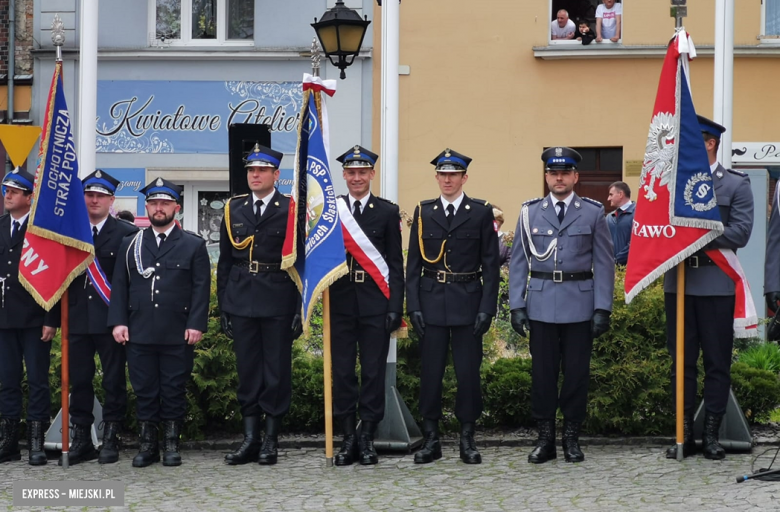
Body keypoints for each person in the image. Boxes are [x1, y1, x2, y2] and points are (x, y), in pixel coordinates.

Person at [509, 147, 614, 464]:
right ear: (546, 176)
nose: (559, 177)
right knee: (542, 375)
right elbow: (518, 262)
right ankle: (545, 439)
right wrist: (517, 304)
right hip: (541, 304)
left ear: (575, 177)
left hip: (580, 305)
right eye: (554, 172)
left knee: (576, 375)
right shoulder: (529, 213)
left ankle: (571, 438)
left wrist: (602, 308)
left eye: (565, 172)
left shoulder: (593, 212)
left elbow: (605, 264)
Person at [664, 116, 753, 460]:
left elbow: (741, 233)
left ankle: (712, 435)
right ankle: (683, 433)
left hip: (717, 286)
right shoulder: (672, 185)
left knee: (717, 364)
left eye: (692, 142)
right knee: (681, 364)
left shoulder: (735, 184)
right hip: (680, 287)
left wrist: (697, 236)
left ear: (709, 143)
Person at [108, 177, 210, 468]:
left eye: (164, 203)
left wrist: (196, 324)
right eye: (153, 203)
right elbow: (120, 287)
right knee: (144, 390)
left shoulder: (192, 244)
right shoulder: (131, 244)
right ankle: (148, 445)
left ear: (176, 207)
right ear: (147, 207)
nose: (158, 208)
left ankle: (170, 444)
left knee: (173, 388)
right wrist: (118, 322)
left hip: (177, 331)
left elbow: (200, 288)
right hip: (139, 330)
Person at [406, 148, 499, 465]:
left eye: (453, 174)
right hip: (431, 303)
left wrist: (488, 308)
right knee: (430, 374)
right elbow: (412, 267)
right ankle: (431, 439)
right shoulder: (423, 211)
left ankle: (467, 439)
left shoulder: (481, 212)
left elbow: (491, 266)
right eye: (443, 174)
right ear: (436, 177)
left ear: (464, 178)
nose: (448, 179)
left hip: (468, 302)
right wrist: (413, 307)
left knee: (468, 375)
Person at [218, 144, 302, 467]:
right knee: (248, 372)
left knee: (276, 373)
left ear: (275, 175)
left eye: (262, 170)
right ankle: (250, 438)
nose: (255, 175)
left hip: (278, 299)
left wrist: (297, 309)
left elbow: (300, 264)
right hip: (241, 300)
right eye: (251, 170)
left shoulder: (291, 209)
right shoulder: (233, 209)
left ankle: (270, 439)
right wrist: (224, 305)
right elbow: (225, 262)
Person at [329, 145, 404, 466]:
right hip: (341, 303)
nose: (357, 178)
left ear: (372, 174)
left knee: (373, 372)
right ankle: (347, 438)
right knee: (343, 372)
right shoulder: (332, 211)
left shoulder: (387, 212)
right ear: (344, 175)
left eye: (362, 172)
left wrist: (394, 308)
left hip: (376, 303)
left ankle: (367, 438)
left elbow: (395, 265)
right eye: (351, 172)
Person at [62, 170, 138, 466]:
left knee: (113, 380)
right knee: (78, 380)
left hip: (112, 319)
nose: (94, 200)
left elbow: (131, 284)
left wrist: (126, 319)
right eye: (89, 195)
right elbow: (60, 279)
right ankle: (81, 438)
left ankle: (111, 436)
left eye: (100, 196)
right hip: (77, 318)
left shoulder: (126, 234)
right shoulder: (69, 232)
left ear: (111, 200)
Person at [0, 168, 60, 466]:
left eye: (13, 190)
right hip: (3, 318)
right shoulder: (0, 226)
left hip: (36, 318)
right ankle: (9, 443)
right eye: (5, 190)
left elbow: (54, 276)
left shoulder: (40, 232)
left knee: (38, 381)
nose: (7, 195)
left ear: (29, 197)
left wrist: (52, 317)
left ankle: (36, 443)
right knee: (7, 381)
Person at [606, 181, 634, 266]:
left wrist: (617, 260)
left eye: (611, 195)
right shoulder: (609, 217)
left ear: (620, 194)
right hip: (610, 268)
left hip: (630, 268)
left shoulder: (638, 215)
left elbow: (635, 243)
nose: (608, 198)